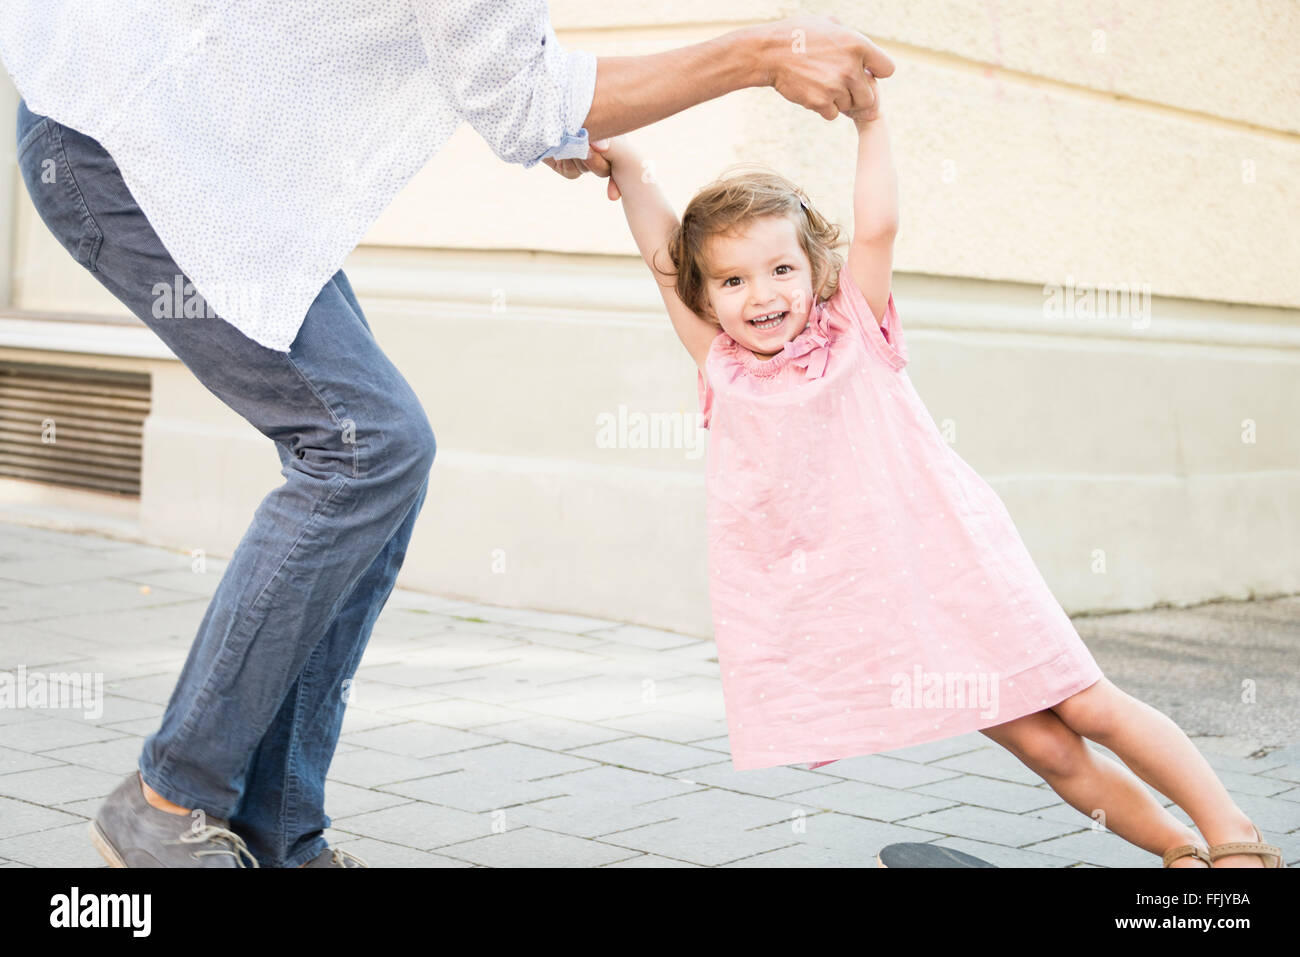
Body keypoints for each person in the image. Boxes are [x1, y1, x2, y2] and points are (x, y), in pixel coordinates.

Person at [2, 2, 896, 868]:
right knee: (364, 445)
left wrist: (559, 116)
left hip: (209, 169)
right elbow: (520, 95)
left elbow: (498, 66)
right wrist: (763, 53)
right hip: (122, 138)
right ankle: (167, 800)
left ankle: (280, 829)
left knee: (386, 451)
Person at [584, 74, 1284, 868]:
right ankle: (1179, 856)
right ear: (709, 295)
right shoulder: (722, 367)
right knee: (1046, 750)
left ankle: (1236, 842)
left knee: (1089, 706)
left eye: (780, 269)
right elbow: (664, 263)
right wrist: (628, 165)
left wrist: (870, 119)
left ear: (816, 270)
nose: (761, 294)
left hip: (956, 562)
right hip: (898, 608)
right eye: (733, 280)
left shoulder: (855, 329)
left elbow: (878, 225)